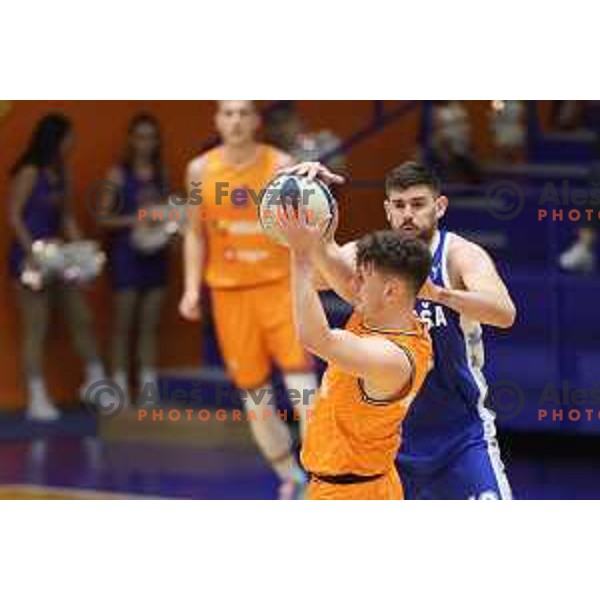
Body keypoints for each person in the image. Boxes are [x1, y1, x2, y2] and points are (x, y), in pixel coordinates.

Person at [286, 160, 516, 499]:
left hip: (458, 433)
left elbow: (504, 313)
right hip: (392, 441)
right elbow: (324, 275)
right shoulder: (377, 256)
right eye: (399, 205)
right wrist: (312, 196)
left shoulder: (459, 254)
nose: (408, 214)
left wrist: (439, 294)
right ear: (387, 209)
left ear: (439, 207)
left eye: (418, 204)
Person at [179, 101, 318, 499]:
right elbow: (193, 232)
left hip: (279, 288)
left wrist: (313, 276)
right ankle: (289, 475)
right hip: (229, 294)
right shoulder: (200, 170)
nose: (236, 121)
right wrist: (191, 289)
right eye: (228, 113)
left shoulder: (281, 164)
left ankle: (319, 473)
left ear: (257, 121)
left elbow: (306, 229)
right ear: (217, 121)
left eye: (244, 113)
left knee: (305, 390)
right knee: (255, 396)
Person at [277, 203, 433, 500]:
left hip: (354, 494)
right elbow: (332, 263)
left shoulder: (392, 358)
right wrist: (315, 198)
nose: (352, 283)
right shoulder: (385, 314)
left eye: (362, 278)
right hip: (350, 486)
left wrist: (299, 255)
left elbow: (315, 338)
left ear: (391, 291)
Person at [8, 113, 105, 421]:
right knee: (36, 327)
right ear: (57, 140)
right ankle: (37, 398)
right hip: (30, 259)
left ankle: (95, 380)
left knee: (81, 316)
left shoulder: (62, 173)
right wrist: (33, 253)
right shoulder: (29, 172)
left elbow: (66, 218)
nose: (73, 143)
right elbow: (14, 216)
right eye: (69, 137)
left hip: (59, 255)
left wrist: (82, 251)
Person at [96, 113, 171, 405]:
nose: (145, 143)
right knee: (122, 325)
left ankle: (148, 389)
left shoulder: (161, 172)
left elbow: (166, 211)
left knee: (149, 326)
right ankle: (118, 388)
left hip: (156, 253)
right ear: (131, 140)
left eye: (151, 137)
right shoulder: (117, 175)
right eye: (140, 137)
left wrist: (166, 219)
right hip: (127, 255)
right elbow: (103, 218)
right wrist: (139, 218)